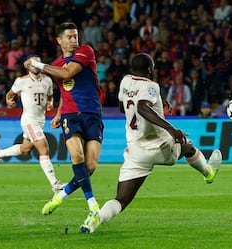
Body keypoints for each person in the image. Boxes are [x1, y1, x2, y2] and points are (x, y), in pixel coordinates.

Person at [79, 53, 222, 233]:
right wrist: (171, 129)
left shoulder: (125, 81)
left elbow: (123, 107)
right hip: (159, 147)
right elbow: (142, 106)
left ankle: (96, 219)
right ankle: (208, 173)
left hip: (136, 152)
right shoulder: (151, 85)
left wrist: (159, 102)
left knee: (121, 200)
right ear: (149, 70)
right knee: (187, 146)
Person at [24, 22, 104, 230]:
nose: (73, 40)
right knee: (76, 156)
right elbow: (64, 91)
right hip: (70, 116)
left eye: (75, 36)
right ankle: (93, 207)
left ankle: (62, 194)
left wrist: (38, 65)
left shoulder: (85, 51)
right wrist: (59, 112)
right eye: (69, 37)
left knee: (90, 166)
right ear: (59, 40)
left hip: (92, 114)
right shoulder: (56, 63)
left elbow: (67, 74)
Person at [0, 54, 64, 194]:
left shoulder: (47, 80)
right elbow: (10, 94)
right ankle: (54, 183)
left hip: (40, 120)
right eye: (33, 63)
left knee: (26, 149)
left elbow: (49, 96)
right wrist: (9, 101)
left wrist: (49, 103)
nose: (36, 66)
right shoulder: (21, 81)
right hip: (29, 120)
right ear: (29, 66)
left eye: (38, 63)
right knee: (44, 149)